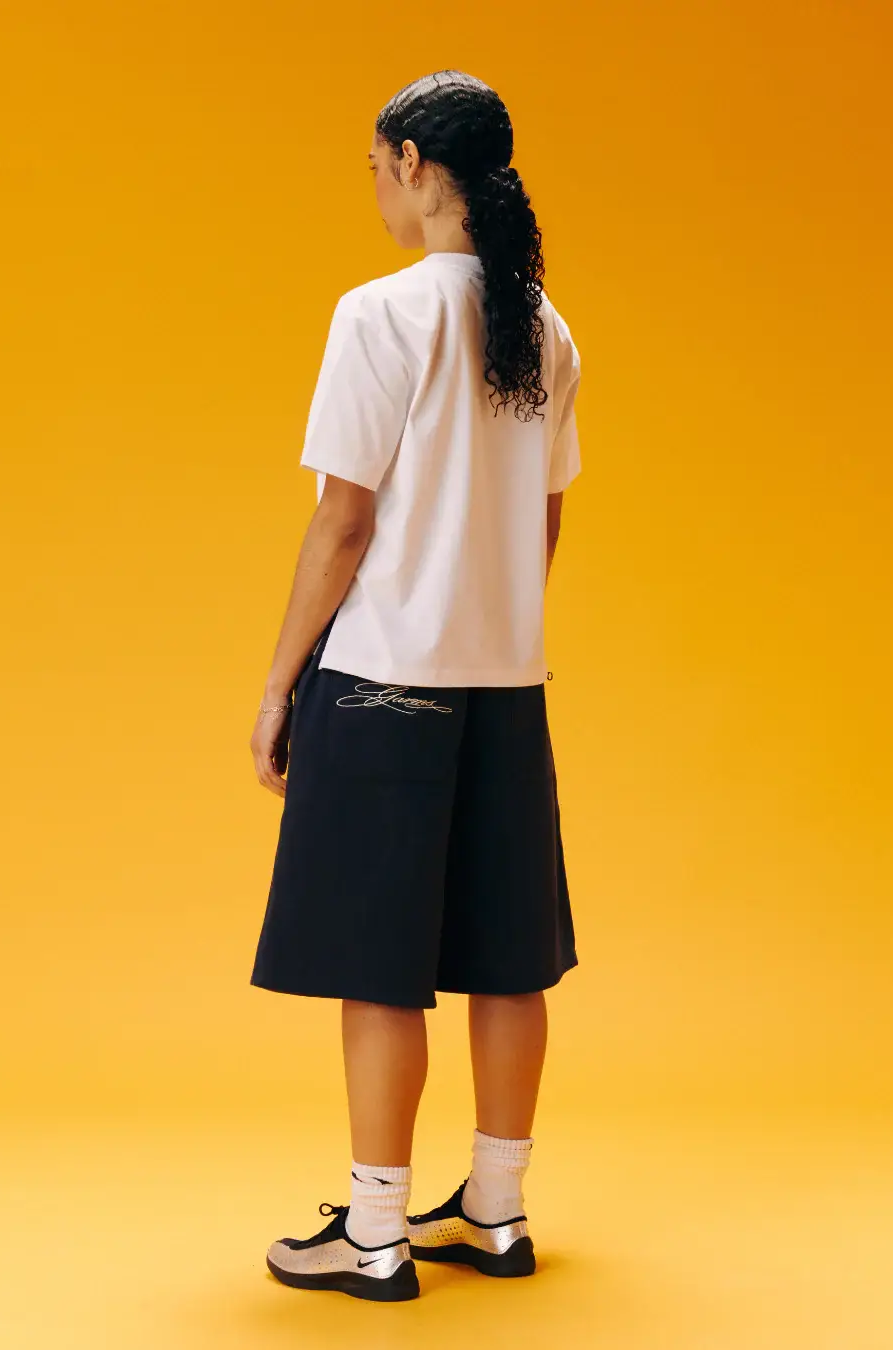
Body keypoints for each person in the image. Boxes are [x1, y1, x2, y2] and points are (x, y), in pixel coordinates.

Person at [249, 69, 581, 1303]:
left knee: (379, 961)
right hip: (506, 681)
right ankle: (494, 1212)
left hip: (386, 675)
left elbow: (344, 522)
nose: (378, 193)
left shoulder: (379, 314)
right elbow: (544, 522)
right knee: (508, 954)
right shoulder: (545, 327)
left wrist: (281, 683)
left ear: (411, 162)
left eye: (375, 170)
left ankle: (377, 1233)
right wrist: (492, 624)